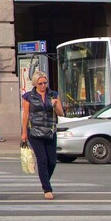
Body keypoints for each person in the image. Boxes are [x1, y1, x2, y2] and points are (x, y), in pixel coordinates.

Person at [21, 71, 65, 200]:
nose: (43, 86)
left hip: (50, 131)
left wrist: (55, 105)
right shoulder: (29, 96)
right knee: (42, 160)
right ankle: (47, 188)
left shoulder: (53, 95)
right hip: (34, 131)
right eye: (40, 83)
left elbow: (61, 113)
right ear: (35, 84)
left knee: (52, 161)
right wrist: (24, 133)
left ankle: (45, 179)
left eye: (45, 83)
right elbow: (26, 115)